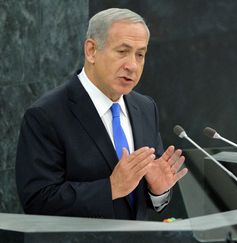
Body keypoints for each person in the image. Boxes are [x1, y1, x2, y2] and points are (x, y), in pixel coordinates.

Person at [15, 8, 188, 220]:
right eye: (122, 52)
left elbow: (143, 202)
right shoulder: (46, 115)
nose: (132, 65)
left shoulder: (145, 108)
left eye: (140, 54)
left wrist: (157, 191)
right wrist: (111, 188)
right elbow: (37, 201)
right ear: (91, 50)